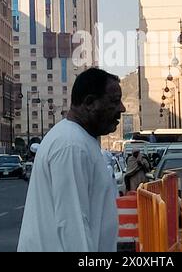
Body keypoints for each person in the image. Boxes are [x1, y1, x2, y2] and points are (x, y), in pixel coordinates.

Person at [18, 68, 126, 252]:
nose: (122, 109)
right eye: (115, 101)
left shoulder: (77, 139)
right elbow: (72, 224)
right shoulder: (71, 146)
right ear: (90, 102)